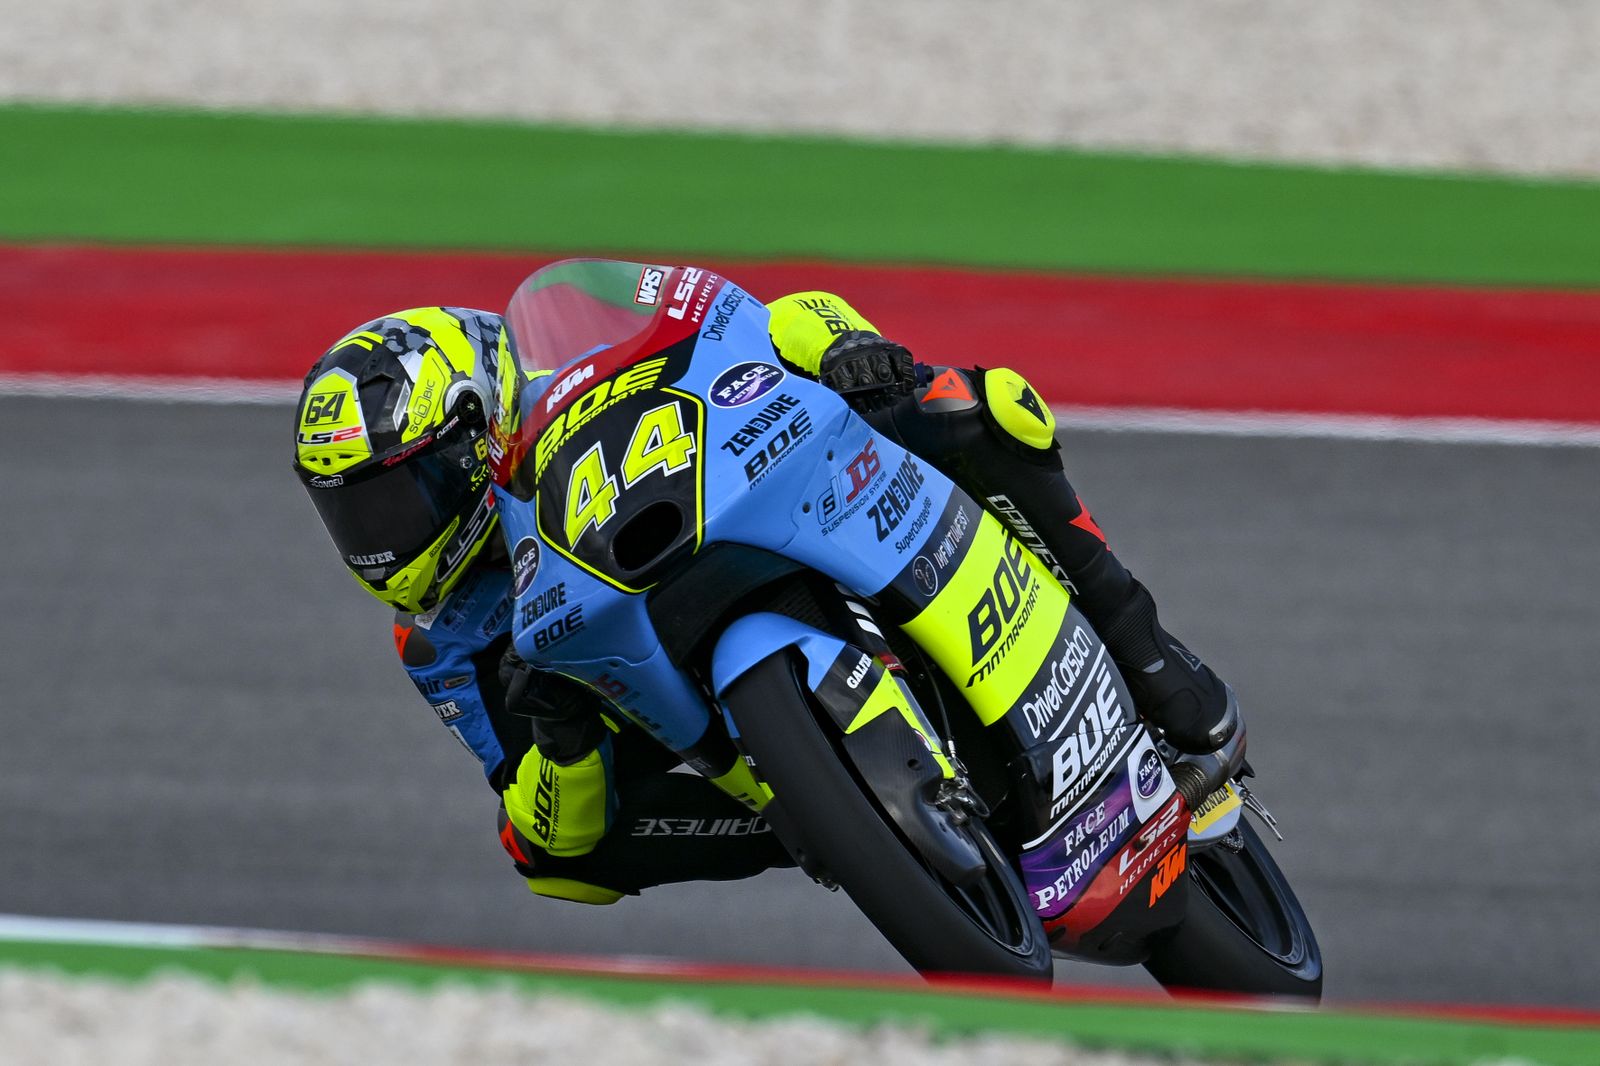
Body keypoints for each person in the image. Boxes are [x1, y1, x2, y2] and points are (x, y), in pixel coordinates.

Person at [292, 293, 1238, 908]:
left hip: (767, 504)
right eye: (351, 512)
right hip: (699, 749)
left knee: (975, 407)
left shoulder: (568, 395)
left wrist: (848, 350)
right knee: (564, 864)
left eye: (396, 495)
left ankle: (1154, 659)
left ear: (475, 427)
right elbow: (539, 836)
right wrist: (562, 742)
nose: (380, 537)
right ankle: (844, 820)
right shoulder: (442, 643)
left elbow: (752, 320)